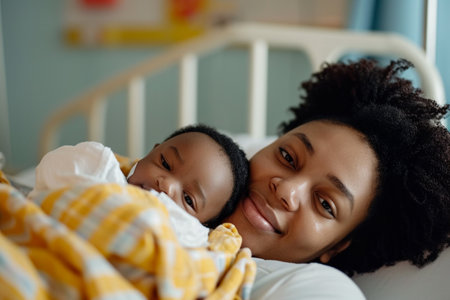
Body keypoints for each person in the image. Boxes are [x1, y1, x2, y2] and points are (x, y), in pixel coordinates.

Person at [222, 59, 449, 299]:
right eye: (287, 157)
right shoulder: (184, 176)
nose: (286, 190)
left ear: (337, 245)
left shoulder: (320, 290)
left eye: (324, 204)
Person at [29, 124, 249, 246]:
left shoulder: (189, 238)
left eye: (189, 199)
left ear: (202, 225)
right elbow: (53, 170)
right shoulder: (100, 170)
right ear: (150, 152)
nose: (167, 185)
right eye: (165, 163)